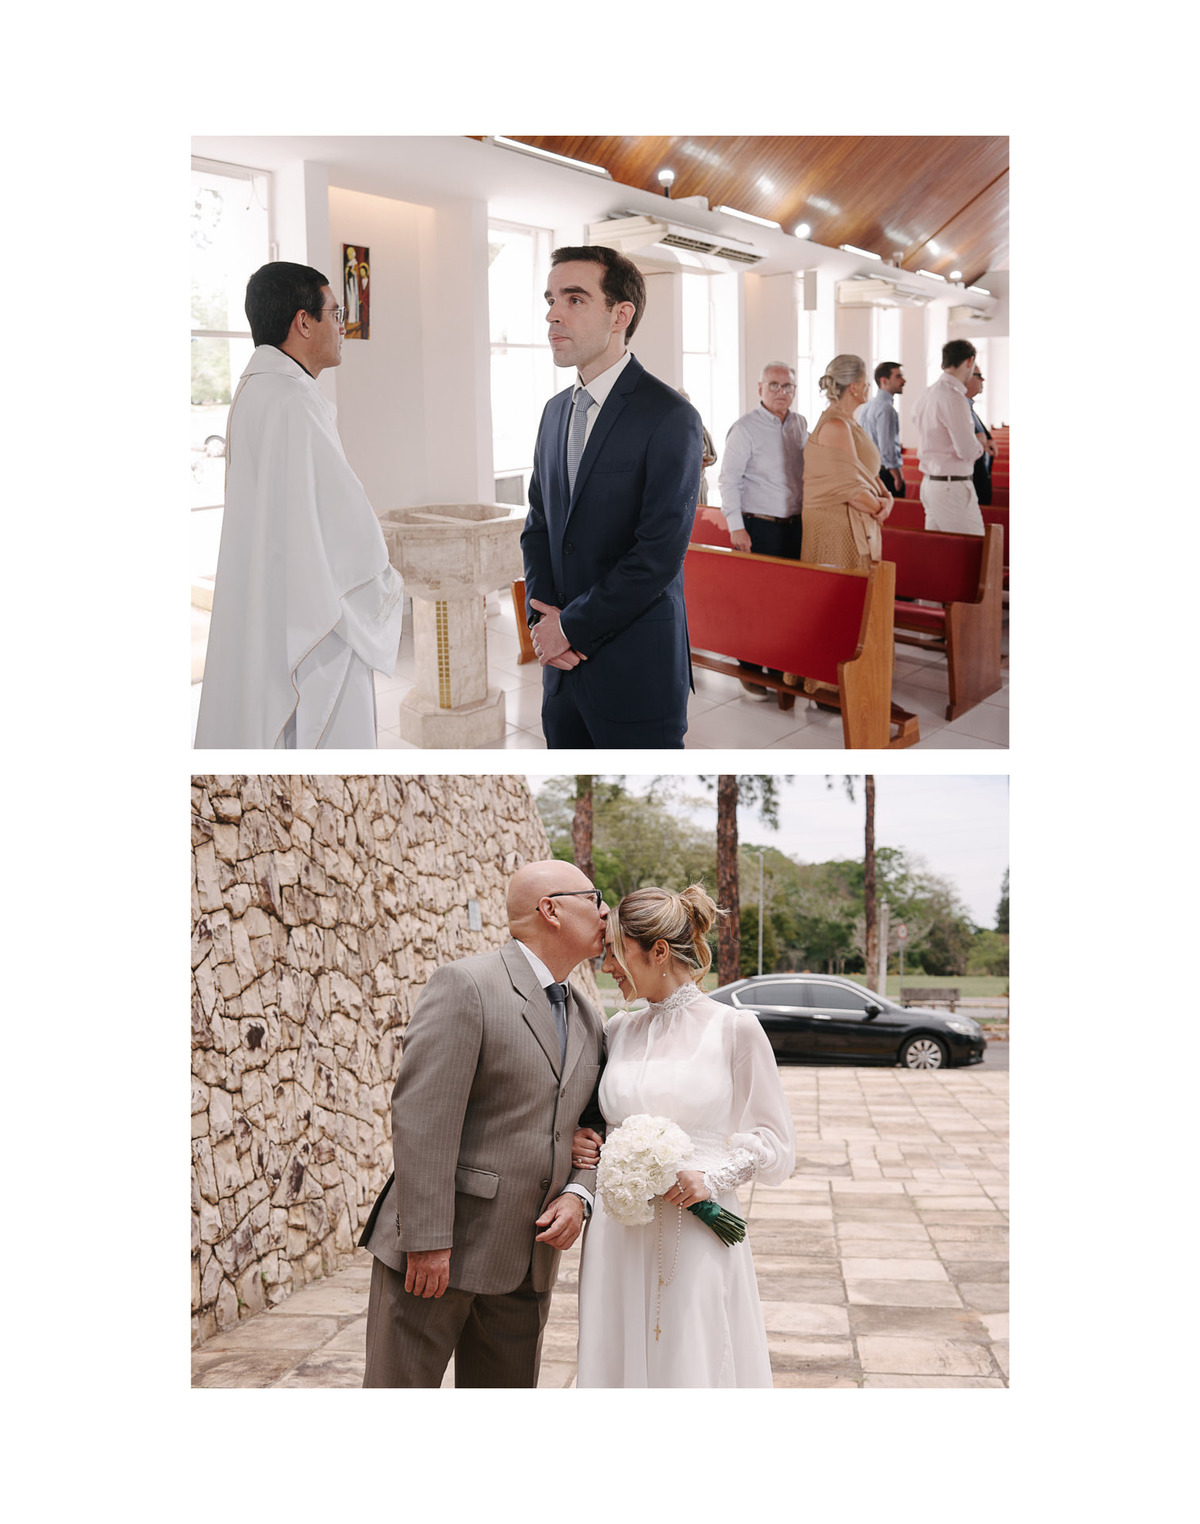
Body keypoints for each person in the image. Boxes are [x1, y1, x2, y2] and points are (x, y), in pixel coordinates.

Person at [358, 860, 608, 1387]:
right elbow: (422, 1119)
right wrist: (426, 1240)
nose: (606, 910)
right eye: (594, 897)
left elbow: (594, 1126)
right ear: (551, 910)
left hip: (530, 1259)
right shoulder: (466, 985)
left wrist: (578, 1192)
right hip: (440, 1254)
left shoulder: (589, 1015)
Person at [571, 885, 796, 1388]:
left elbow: (776, 1142)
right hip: (617, 1229)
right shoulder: (618, 1032)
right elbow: (600, 1120)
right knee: (615, 1352)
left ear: (658, 951)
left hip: (694, 1228)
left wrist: (712, 1179)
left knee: (693, 1351)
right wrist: (587, 1140)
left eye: (615, 951)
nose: (605, 965)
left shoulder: (735, 1029)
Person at [194, 261, 403, 748]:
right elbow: (344, 527)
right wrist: (385, 581)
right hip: (315, 618)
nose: (342, 327)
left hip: (275, 598)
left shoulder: (257, 391)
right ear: (303, 321)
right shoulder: (292, 400)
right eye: (335, 312)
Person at [522, 246, 702, 749]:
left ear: (620, 314)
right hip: (561, 673)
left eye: (574, 298)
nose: (553, 314)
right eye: (551, 299)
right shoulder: (554, 413)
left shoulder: (669, 416)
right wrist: (542, 622)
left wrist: (571, 628)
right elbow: (539, 526)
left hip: (634, 665)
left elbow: (657, 555)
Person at [717, 362, 809, 695]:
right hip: (759, 526)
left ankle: (781, 664)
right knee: (757, 601)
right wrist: (736, 528)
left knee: (789, 602)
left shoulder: (800, 424)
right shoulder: (745, 429)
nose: (782, 392)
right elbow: (728, 481)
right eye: (774, 385)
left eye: (788, 387)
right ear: (760, 389)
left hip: (795, 525)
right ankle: (752, 666)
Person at [800, 354, 894, 570]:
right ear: (854, 387)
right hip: (836, 529)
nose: (869, 387)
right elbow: (851, 490)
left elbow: (866, 471)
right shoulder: (835, 426)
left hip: (856, 524)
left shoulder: (850, 422)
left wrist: (887, 497)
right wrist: (881, 507)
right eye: (866, 383)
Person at [911, 338, 985, 535]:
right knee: (975, 550)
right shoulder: (953, 396)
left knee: (939, 553)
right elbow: (967, 450)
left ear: (944, 364)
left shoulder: (926, 393)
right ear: (970, 362)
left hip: (931, 484)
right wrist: (980, 443)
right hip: (952, 487)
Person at [859, 361, 906, 497]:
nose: (903, 381)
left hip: (869, 473)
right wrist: (897, 475)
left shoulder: (867, 406)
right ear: (884, 381)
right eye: (898, 376)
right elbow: (887, 448)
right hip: (885, 474)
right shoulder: (887, 409)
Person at [967, 365, 995, 506]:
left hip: (981, 479)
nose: (982, 379)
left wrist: (988, 441)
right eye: (978, 376)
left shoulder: (970, 408)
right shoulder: (960, 409)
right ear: (966, 377)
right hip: (971, 482)